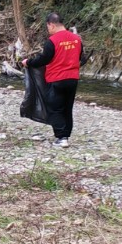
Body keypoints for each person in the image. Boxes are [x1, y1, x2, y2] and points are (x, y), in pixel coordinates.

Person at [25, 12, 83, 146]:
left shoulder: (52, 41)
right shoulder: (77, 39)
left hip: (56, 79)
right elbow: (80, 57)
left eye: (48, 27)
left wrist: (28, 62)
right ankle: (65, 136)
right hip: (73, 79)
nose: (48, 30)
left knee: (54, 108)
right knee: (67, 108)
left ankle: (61, 138)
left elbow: (44, 59)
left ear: (51, 25)